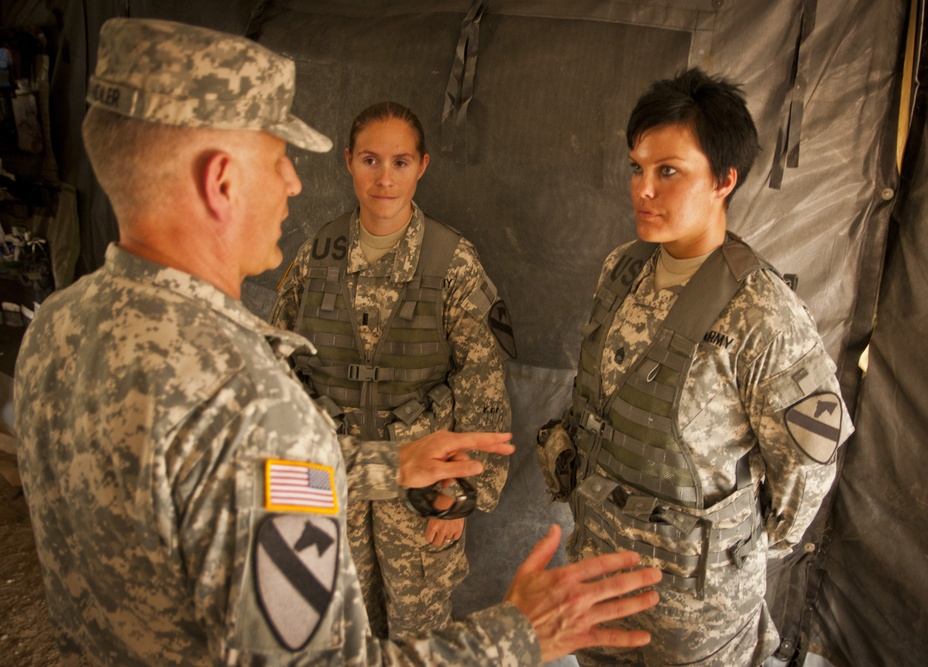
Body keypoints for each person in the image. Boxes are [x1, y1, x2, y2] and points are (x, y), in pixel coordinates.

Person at [13, 18, 662, 666]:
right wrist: (524, 634)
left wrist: (388, 465)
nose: (295, 183)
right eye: (279, 160)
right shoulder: (258, 408)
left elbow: (224, 477)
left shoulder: (55, 327)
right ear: (221, 180)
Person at [536, 69, 854, 666]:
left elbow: (807, 473)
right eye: (637, 168)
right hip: (601, 581)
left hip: (694, 621)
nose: (643, 190)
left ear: (724, 180)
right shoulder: (622, 271)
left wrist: (725, 553)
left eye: (669, 171)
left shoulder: (761, 313)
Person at [271, 101, 513, 639]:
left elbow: (484, 388)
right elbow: (278, 374)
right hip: (336, 480)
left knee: (418, 636)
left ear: (422, 166)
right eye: (370, 161)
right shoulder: (316, 257)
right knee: (339, 629)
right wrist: (296, 484)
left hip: (424, 487)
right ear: (349, 163)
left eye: (400, 163)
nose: (384, 178)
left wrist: (460, 494)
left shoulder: (451, 262)